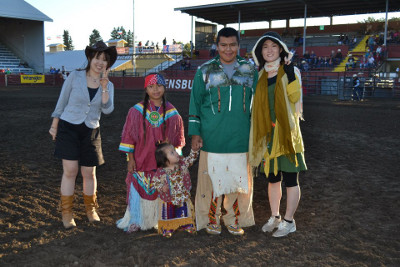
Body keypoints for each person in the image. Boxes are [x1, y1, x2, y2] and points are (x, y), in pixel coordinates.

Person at [189, 27, 258, 236]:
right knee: (211, 182)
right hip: (212, 138)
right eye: (224, 45)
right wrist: (195, 132)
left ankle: (233, 219)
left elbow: (257, 106)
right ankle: (211, 219)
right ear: (217, 46)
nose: (228, 49)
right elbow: (195, 103)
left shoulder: (250, 70)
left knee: (238, 182)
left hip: (241, 137)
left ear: (239, 46)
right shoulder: (204, 71)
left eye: (233, 45)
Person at [49, 41, 117, 229]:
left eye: (104, 60)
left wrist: (104, 87)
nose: (100, 63)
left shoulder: (109, 85)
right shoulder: (75, 76)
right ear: (90, 58)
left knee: (89, 172)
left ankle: (90, 210)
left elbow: (108, 109)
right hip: (68, 127)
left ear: (108, 64)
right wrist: (54, 125)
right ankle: (67, 213)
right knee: (70, 171)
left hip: (91, 130)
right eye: (97, 58)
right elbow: (61, 102)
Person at [249, 31, 307, 237]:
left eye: (274, 46)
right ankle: (275, 216)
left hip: (287, 135)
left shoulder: (291, 71)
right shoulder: (260, 75)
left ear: (281, 49)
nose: (270, 50)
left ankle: (289, 221)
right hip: (268, 136)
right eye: (265, 47)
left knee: (291, 179)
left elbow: (294, 97)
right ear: (260, 52)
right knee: (273, 179)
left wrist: (290, 73)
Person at [116, 73, 185, 233]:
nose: (155, 90)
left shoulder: (171, 112)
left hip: (161, 162)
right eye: (151, 86)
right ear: (146, 89)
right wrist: (130, 159)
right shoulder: (136, 111)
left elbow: (176, 139)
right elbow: (129, 136)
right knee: (138, 188)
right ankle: (135, 219)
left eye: (159, 86)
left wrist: (173, 158)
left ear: (164, 88)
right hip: (141, 158)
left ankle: (159, 219)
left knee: (162, 189)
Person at [153, 142, 199, 237]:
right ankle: (168, 227)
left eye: (174, 151)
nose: (176, 153)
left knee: (184, 209)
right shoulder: (161, 172)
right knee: (169, 212)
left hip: (182, 194)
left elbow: (190, 159)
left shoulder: (182, 164)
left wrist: (194, 151)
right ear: (165, 160)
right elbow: (155, 182)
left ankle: (186, 224)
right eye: (172, 153)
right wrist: (162, 187)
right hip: (168, 198)